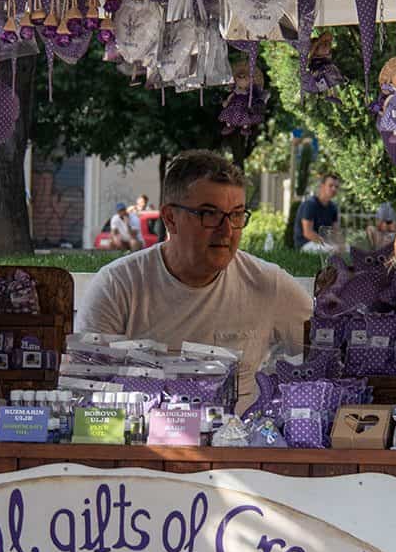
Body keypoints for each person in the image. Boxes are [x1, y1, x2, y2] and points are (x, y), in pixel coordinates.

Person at [78, 151, 313, 412]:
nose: (227, 231)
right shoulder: (117, 286)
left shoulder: (269, 285)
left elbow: (328, 354)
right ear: (170, 219)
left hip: (240, 446)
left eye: (236, 215)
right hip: (141, 447)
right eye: (209, 214)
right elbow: (84, 395)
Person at [294, 172, 341, 252]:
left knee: (349, 249)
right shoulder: (310, 204)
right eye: (330, 186)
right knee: (333, 251)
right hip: (306, 243)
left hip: (325, 244)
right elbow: (308, 233)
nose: (334, 189)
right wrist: (330, 244)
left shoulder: (333, 207)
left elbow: (335, 231)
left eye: (336, 187)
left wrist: (340, 244)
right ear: (322, 186)